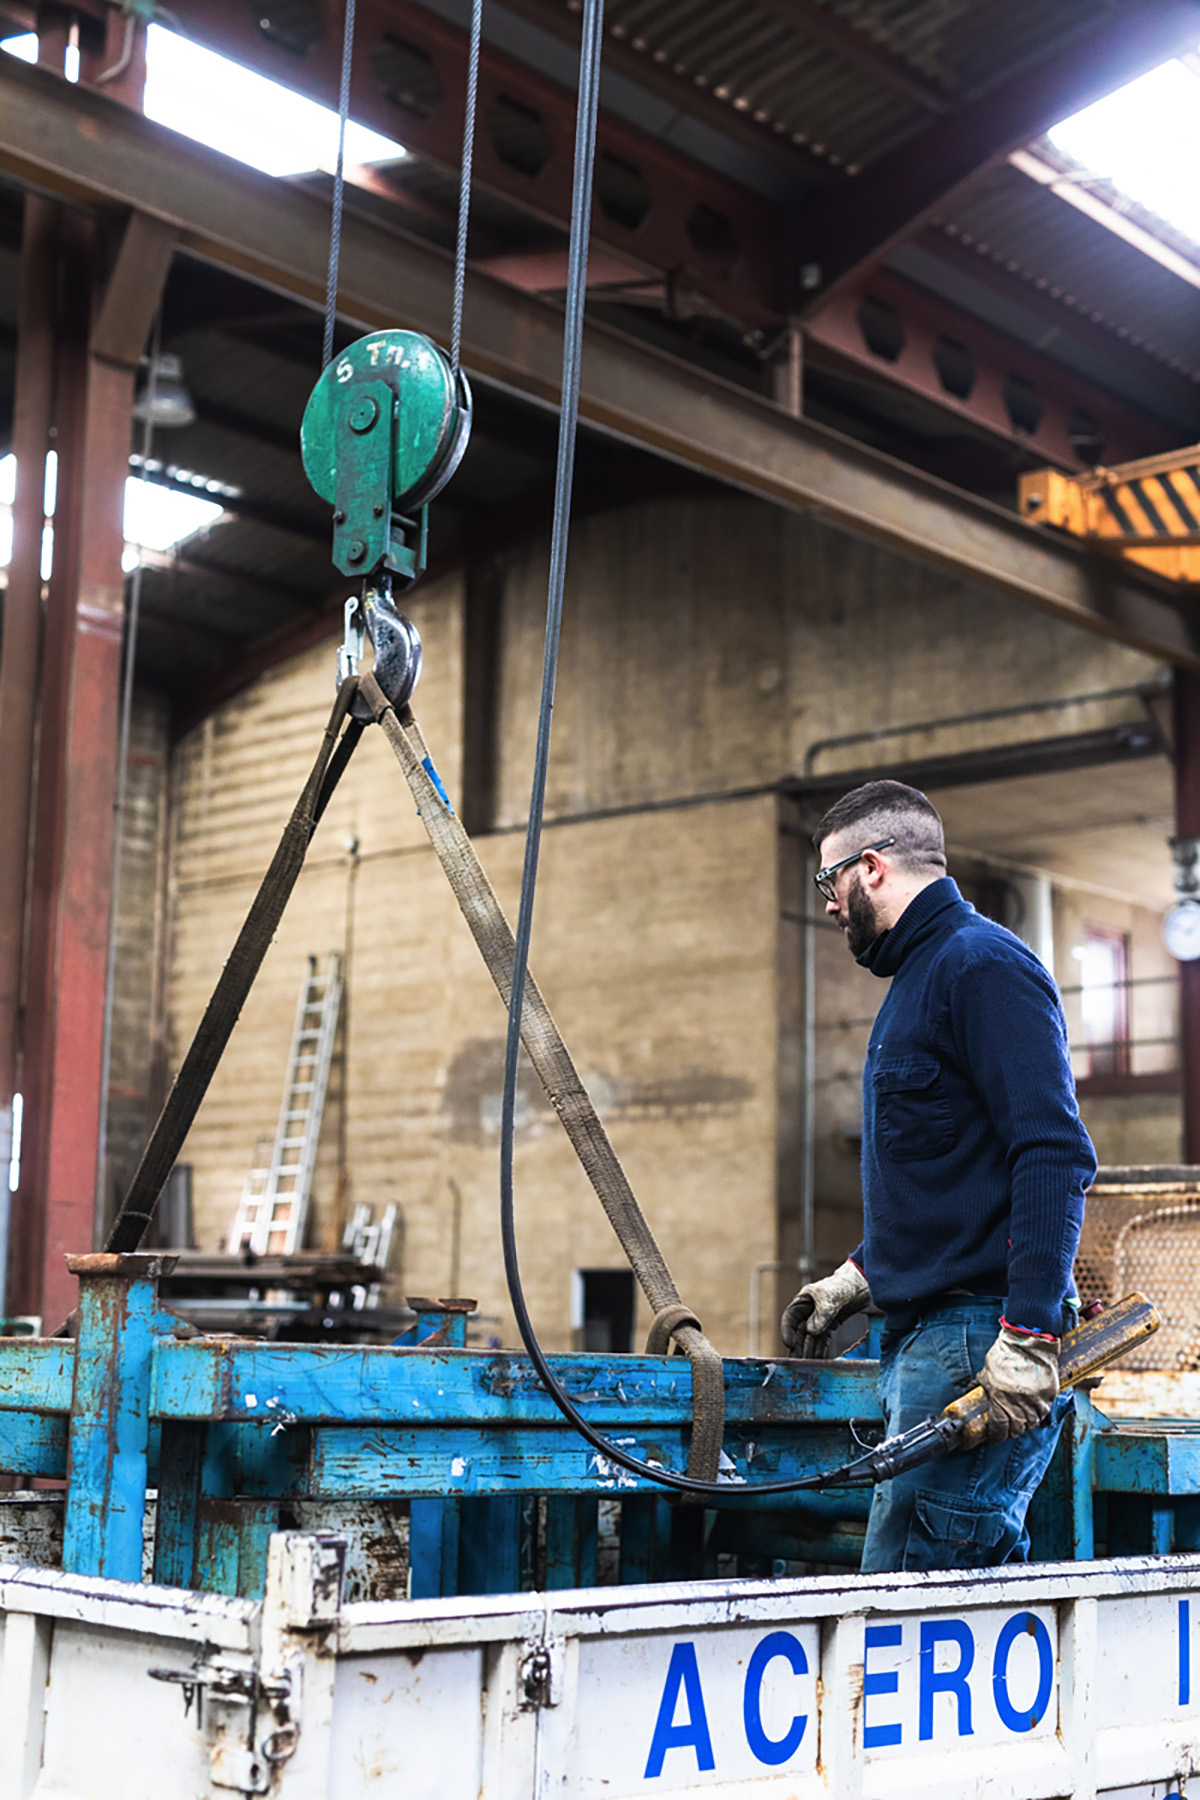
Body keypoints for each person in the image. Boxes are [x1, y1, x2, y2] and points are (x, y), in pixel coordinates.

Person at [780, 779, 1096, 1572]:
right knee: (906, 1596)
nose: (826, 902)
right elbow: (949, 1175)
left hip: (972, 1340)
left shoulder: (981, 966)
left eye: (829, 880)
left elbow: (1053, 1152)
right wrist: (858, 1276)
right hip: (927, 1338)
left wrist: (1028, 1334)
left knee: (910, 1600)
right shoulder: (918, 983)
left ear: (874, 867)